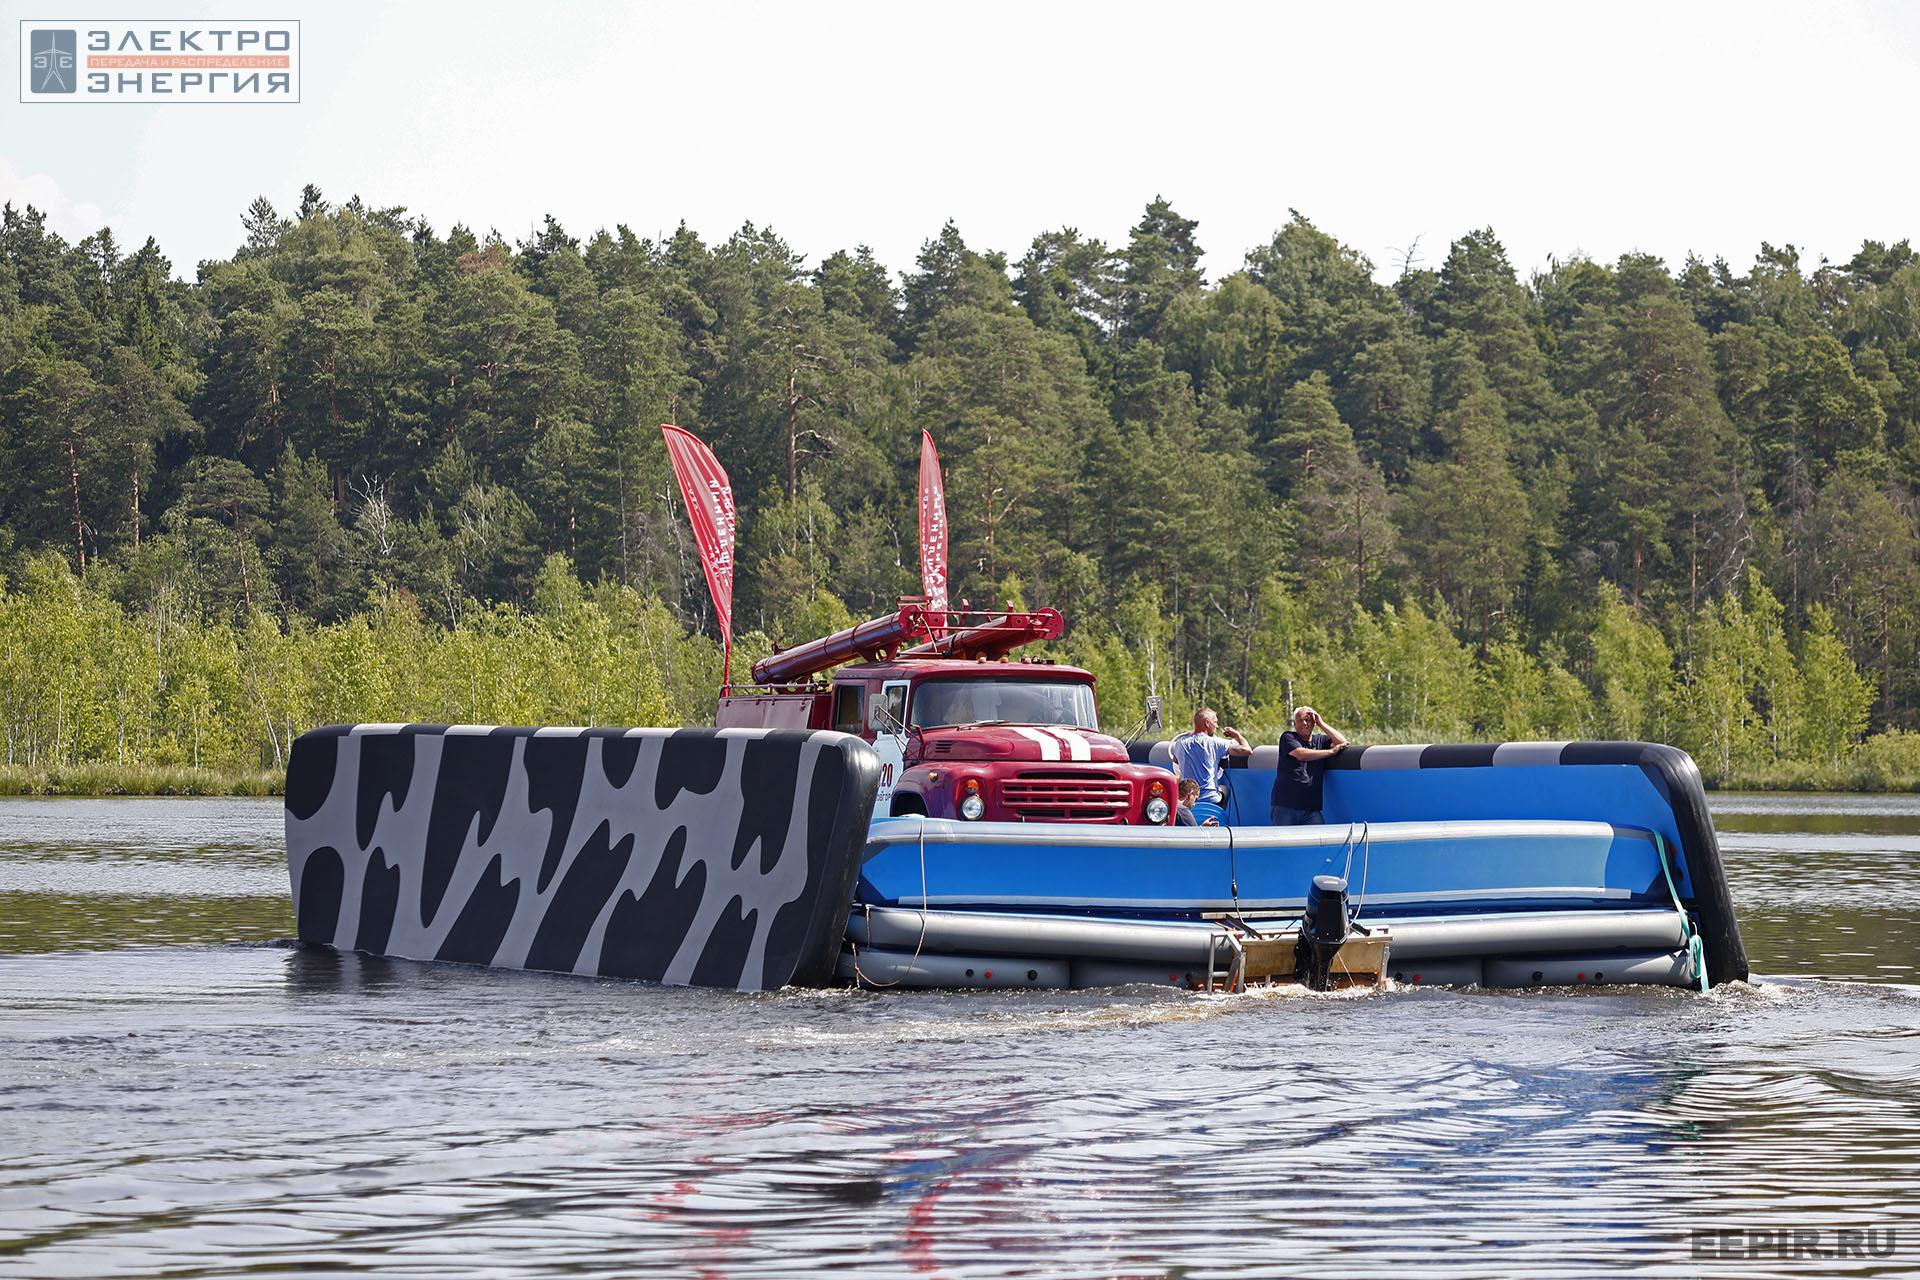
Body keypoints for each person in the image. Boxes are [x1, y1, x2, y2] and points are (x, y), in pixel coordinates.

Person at [1271, 705, 1347, 825]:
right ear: (1295, 724)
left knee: (1322, 840)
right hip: (1285, 807)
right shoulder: (1288, 737)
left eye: (1308, 720)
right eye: (1300, 720)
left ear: (1313, 723)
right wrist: (1331, 752)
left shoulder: (1320, 741)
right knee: (1285, 842)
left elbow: (1342, 742)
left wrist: (1321, 723)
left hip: (1310, 809)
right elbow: (1301, 754)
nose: (1304, 723)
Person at [1169, 707, 1251, 806]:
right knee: (1225, 789)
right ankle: (1219, 816)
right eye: (1215, 722)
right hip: (1210, 799)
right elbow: (1247, 750)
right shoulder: (1216, 743)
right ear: (1207, 723)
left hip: (1189, 799)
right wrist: (1236, 735)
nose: (1217, 726)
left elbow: (1176, 761)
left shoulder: (1180, 743)